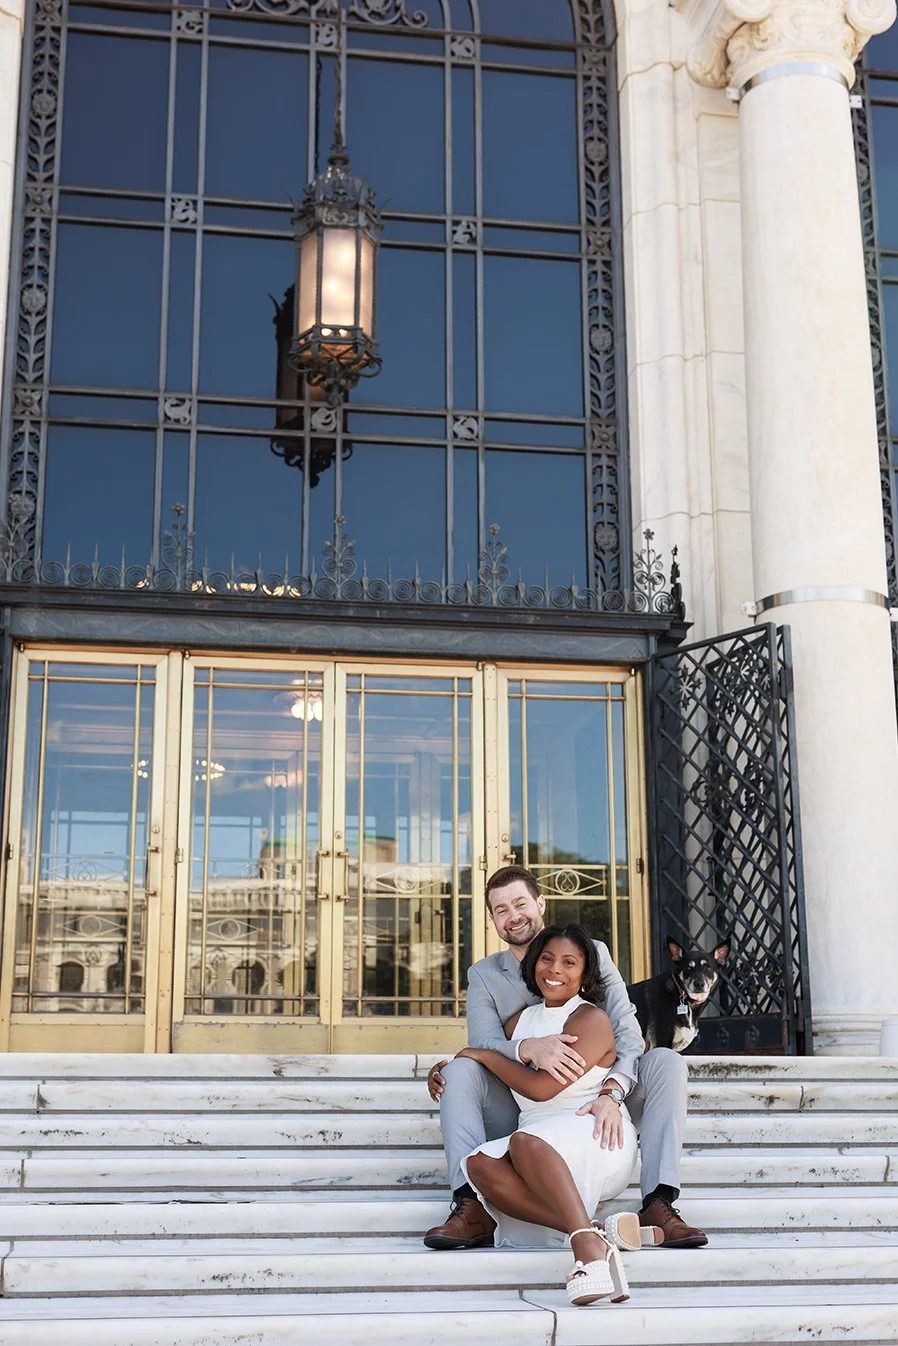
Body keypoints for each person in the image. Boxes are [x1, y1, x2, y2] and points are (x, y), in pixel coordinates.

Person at [424, 865, 706, 1251]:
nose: (514, 916)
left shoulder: (593, 954)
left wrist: (612, 1092)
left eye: (521, 903)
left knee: (667, 1062)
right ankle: (471, 1206)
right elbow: (485, 1042)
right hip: (521, 1102)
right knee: (460, 1072)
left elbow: (627, 1030)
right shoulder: (484, 975)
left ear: (540, 903)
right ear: (492, 919)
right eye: (501, 910)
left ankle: (659, 1203)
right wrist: (527, 1047)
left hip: (594, 1099)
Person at [459, 923, 639, 1305]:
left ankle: (588, 1256)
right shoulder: (520, 1023)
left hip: (594, 1130)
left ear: (585, 974)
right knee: (478, 1165)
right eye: (547, 958)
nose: (555, 969)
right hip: (538, 1140)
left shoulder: (590, 1020)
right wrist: (451, 1065)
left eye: (569, 962)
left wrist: (483, 1054)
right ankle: (589, 1232)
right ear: (533, 964)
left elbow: (541, 1088)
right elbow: (495, 1056)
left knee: (524, 1143)